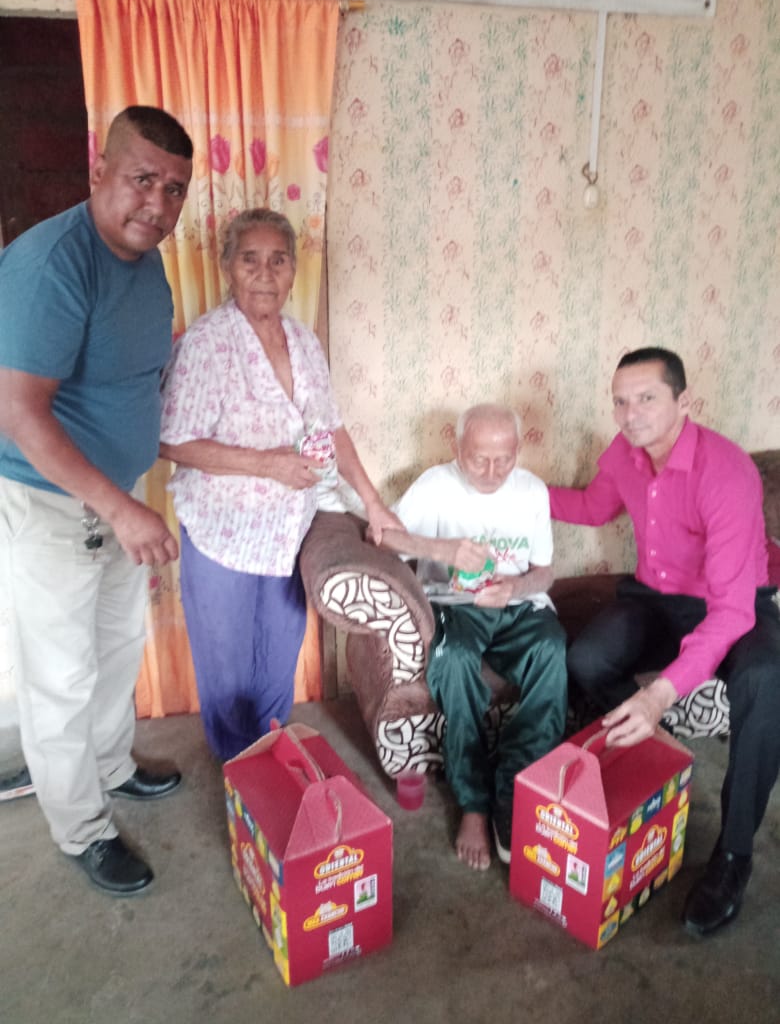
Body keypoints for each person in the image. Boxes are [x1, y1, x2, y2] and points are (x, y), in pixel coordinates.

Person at [0, 106, 194, 896]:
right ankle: (80, 827)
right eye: (143, 179)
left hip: (121, 499)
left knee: (117, 648)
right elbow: (19, 412)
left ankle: (112, 766)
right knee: (61, 677)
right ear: (99, 171)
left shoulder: (146, 264)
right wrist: (119, 507)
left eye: (175, 189)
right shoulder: (51, 265)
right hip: (56, 504)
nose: (158, 203)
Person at [548, 346, 780, 937]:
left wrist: (659, 695)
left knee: (766, 679)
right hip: (655, 599)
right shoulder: (624, 454)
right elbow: (592, 508)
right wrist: (510, 489)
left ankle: (734, 854)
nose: (630, 414)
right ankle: (658, 757)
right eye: (620, 401)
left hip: (735, 606)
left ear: (684, 402)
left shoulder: (726, 472)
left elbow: (730, 612)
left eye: (646, 398)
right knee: (586, 657)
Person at [159, 207, 400, 762]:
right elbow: (170, 442)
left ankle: (271, 763)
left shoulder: (303, 341)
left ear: (293, 270)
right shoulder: (207, 343)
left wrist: (373, 503)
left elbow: (331, 428)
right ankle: (239, 773)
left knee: (276, 661)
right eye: (250, 259)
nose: (265, 273)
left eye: (278, 260)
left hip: (287, 532)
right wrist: (268, 464)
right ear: (227, 267)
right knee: (227, 669)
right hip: (221, 532)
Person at [376, 404, 568, 871]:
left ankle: (514, 789)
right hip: (454, 605)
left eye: (504, 459)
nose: (492, 472)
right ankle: (475, 803)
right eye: (479, 459)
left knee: (552, 649)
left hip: (517, 605)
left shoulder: (532, 490)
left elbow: (544, 572)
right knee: (455, 660)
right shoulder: (434, 485)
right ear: (457, 449)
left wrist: (515, 589)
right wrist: (440, 549)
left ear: (518, 451)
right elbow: (379, 535)